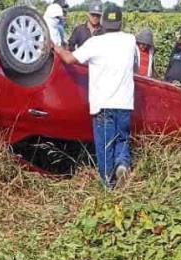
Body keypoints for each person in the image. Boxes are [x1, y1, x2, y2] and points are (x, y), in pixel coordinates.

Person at [54, 4, 137, 189]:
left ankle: (108, 185)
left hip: (103, 104)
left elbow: (69, 59)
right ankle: (123, 164)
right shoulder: (130, 40)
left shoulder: (95, 43)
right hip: (125, 102)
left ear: (103, 22)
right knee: (122, 139)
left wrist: (56, 48)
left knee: (105, 145)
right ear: (120, 22)